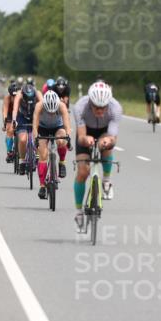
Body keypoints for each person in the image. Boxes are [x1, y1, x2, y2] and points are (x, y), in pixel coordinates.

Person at [72, 82, 122, 229]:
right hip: (86, 132)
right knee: (82, 172)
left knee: (106, 145)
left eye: (103, 107)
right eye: (96, 107)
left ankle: (106, 180)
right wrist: (85, 139)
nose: (100, 110)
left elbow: (113, 137)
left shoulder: (115, 108)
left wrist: (107, 140)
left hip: (105, 131)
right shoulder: (80, 107)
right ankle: (78, 211)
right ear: (90, 103)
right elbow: (81, 136)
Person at [33, 90, 72, 199]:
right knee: (43, 155)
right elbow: (35, 126)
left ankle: (62, 162)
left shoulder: (62, 106)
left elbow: (67, 125)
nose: (50, 113)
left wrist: (68, 137)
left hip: (58, 127)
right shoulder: (39, 106)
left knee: (61, 139)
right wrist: (36, 139)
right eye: (48, 111)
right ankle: (42, 186)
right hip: (42, 128)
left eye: (53, 111)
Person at [11, 81, 42, 174]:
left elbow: (43, 106)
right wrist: (14, 120)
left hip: (35, 116)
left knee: (37, 136)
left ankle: (37, 155)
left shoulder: (38, 93)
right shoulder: (19, 94)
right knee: (23, 139)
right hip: (22, 116)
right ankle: (22, 161)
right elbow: (15, 109)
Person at [2, 77, 21, 162]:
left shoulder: (22, 98)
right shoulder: (7, 98)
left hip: (20, 115)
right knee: (9, 130)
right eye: (12, 96)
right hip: (10, 115)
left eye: (15, 96)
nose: (14, 98)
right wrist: (5, 122)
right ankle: (9, 151)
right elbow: (5, 111)